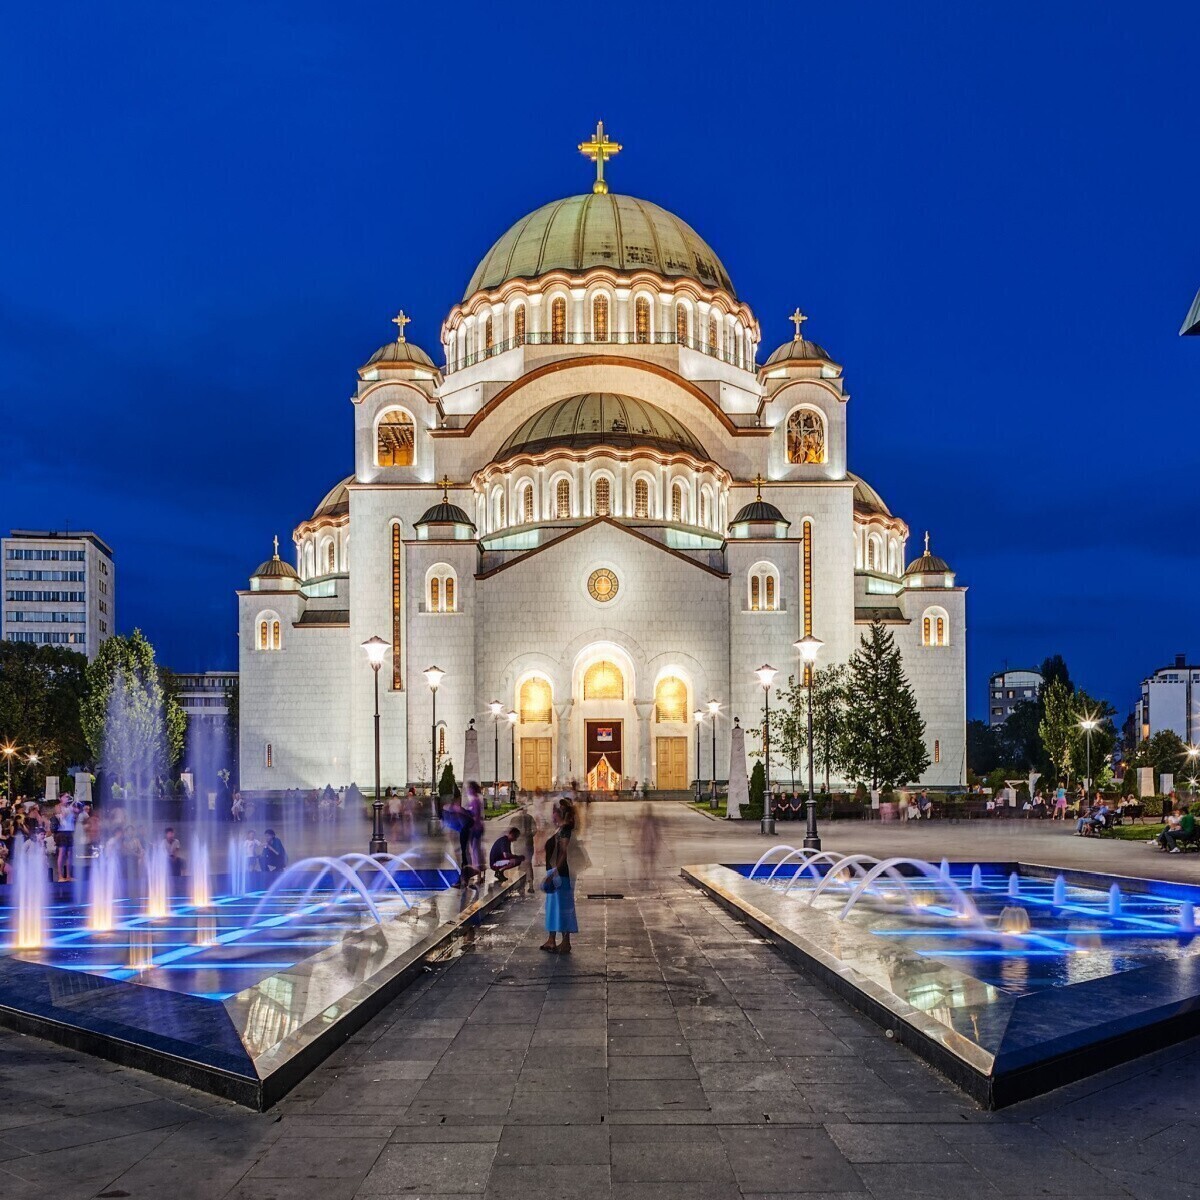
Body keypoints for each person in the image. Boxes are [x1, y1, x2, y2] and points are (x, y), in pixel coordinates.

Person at [540, 798, 578, 954]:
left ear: (558, 813)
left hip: (560, 874)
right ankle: (551, 939)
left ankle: (566, 941)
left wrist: (555, 872)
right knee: (553, 907)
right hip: (553, 871)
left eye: (553, 812)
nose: (552, 815)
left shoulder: (565, 830)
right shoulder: (559, 829)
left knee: (563, 907)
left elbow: (563, 852)